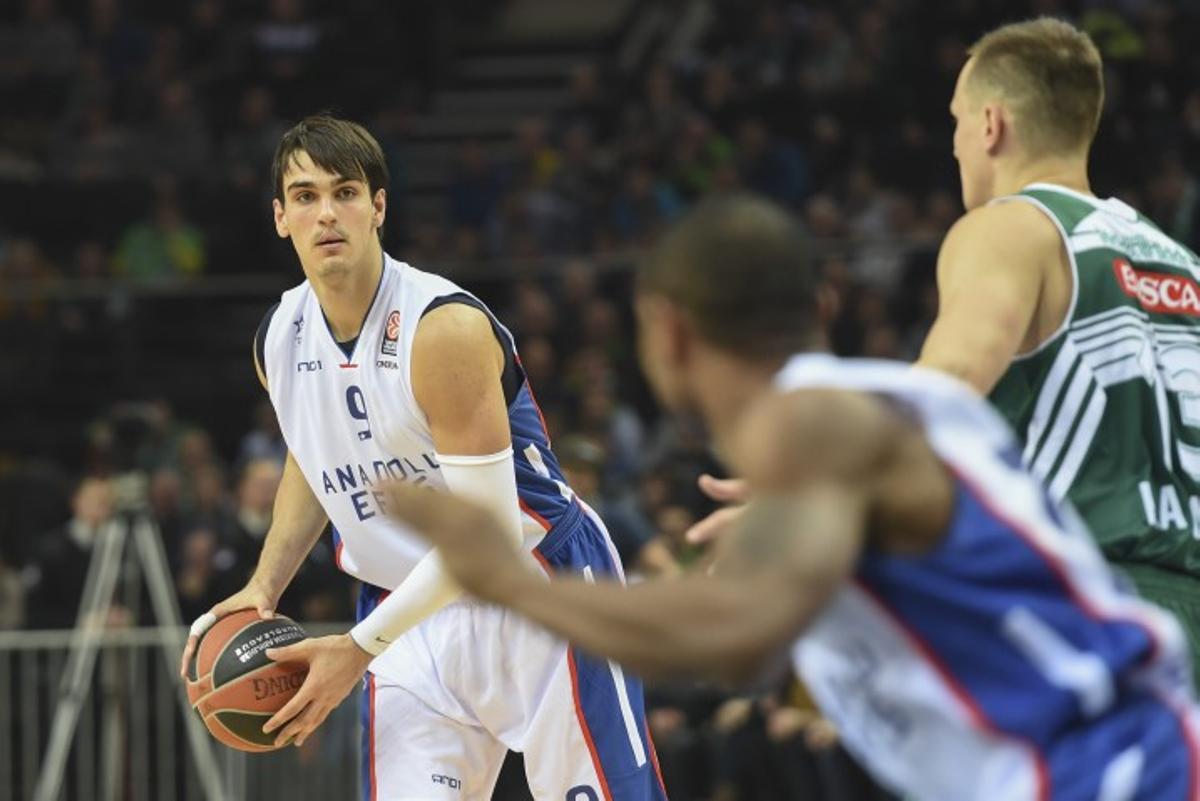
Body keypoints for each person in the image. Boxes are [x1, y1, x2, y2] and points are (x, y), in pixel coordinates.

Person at [384, 194, 1200, 801]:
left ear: (666, 333)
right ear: (821, 308)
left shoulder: (808, 420)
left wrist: (512, 581)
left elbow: (740, 633)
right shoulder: (860, 416)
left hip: (1116, 769)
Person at [179, 115, 666, 801]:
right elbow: (313, 455)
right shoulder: (278, 340)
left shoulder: (444, 332)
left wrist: (355, 648)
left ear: (379, 207)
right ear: (280, 217)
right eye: (306, 195)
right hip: (407, 614)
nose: (327, 213)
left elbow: (488, 537)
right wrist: (265, 585)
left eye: (345, 192)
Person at [914, 17, 1200, 685]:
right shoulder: (1185, 265)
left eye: (956, 121)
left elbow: (949, 379)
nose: (955, 145)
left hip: (1086, 614)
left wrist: (816, 479)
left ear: (990, 124)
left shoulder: (1011, 228)